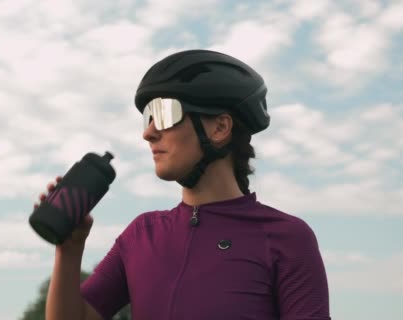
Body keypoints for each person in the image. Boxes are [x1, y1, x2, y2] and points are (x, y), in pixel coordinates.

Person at [36, 50, 331, 320]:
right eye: (148, 118)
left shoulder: (288, 238)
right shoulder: (142, 234)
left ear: (220, 128)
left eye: (165, 113)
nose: (149, 133)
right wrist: (69, 250)